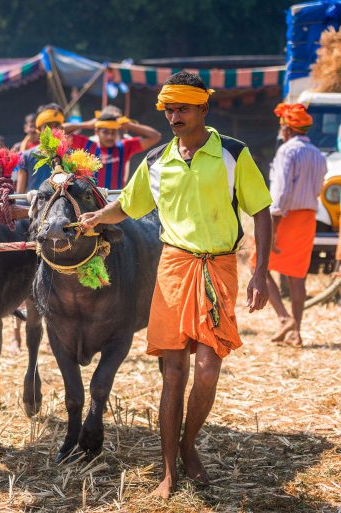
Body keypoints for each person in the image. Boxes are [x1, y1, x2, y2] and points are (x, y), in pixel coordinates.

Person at [79, 72, 272, 498]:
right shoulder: (155, 161)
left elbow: (260, 210)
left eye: (183, 107)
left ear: (204, 108)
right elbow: (127, 206)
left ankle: (189, 446)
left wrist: (260, 271)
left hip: (218, 269)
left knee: (207, 370)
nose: (173, 115)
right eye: (168, 108)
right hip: (172, 268)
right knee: (173, 373)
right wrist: (95, 218)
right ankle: (169, 468)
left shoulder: (234, 155)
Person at [263, 103, 327, 347]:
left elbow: (280, 194)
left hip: (285, 218)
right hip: (308, 218)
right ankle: (296, 332)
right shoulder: (318, 155)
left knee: (260, 266)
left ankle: (283, 319)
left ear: (287, 128)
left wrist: (274, 229)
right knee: (297, 277)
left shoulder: (287, 152)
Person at [67, 107, 162, 190]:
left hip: (115, 199)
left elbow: (155, 136)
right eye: (105, 132)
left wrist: (129, 125)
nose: (110, 137)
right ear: (97, 131)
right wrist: (86, 124)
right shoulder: (87, 145)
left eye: (113, 132)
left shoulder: (124, 147)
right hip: (91, 198)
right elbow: (58, 132)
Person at [16, 103, 90, 194]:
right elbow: (20, 195)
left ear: (62, 128)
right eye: (48, 126)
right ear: (39, 130)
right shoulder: (26, 156)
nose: (53, 130)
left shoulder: (73, 157)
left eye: (56, 126)